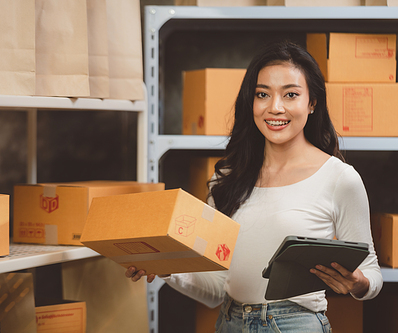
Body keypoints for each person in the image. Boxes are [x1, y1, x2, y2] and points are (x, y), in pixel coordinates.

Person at [126, 40, 383, 332]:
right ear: (251, 101)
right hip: (229, 321)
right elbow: (215, 289)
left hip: (294, 325)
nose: (275, 108)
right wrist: (167, 270)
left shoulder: (339, 178)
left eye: (290, 94)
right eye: (263, 94)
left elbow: (372, 273)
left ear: (311, 103)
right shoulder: (227, 177)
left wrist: (358, 283)